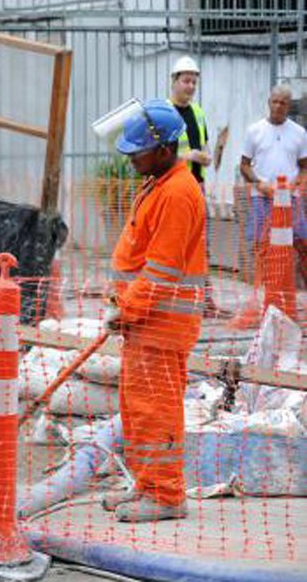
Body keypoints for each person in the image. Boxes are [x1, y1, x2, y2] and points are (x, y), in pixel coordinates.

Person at [103, 98, 206, 522]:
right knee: (137, 407)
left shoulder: (179, 194)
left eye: (137, 151)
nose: (130, 158)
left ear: (164, 149)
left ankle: (166, 496)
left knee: (156, 409)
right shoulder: (159, 184)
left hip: (161, 323)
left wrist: (125, 310)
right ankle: (147, 483)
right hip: (146, 322)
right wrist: (125, 308)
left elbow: (162, 271)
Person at [168, 55, 228, 318]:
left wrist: (205, 155)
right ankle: (175, 298)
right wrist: (189, 156)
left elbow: (202, 146)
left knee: (200, 244)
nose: (190, 86)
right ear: (174, 82)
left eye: (194, 82)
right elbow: (159, 153)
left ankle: (202, 299)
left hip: (196, 185)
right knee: (176, 243)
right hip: (173, 187)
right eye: (186, 81)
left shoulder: (198, 112)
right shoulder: (165, 113)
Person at [239, 84, 307, 283]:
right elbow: (244, 165)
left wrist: (296, 185)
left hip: (290, 199)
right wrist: (260, 183)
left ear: (288, 107)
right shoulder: (255, 131)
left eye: (283, 103)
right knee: (261, 244)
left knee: (301, 241)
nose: (278, 106)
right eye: (275, 102)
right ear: (269, 103)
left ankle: (297, 288)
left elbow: (304, 167)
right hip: (262, 197)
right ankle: (263, 289)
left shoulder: (299, 133)